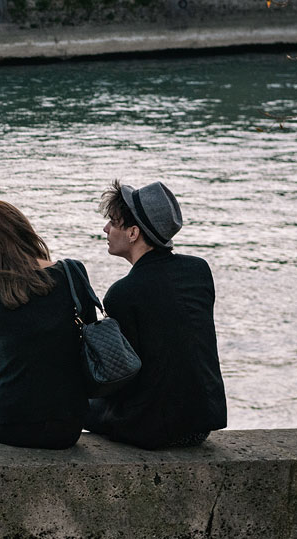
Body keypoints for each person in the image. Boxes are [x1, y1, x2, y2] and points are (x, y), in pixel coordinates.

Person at [85, 181, 227, 449]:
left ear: (133, 233)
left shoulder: (123, 293)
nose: (106, 229)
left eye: (114, 223)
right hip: (202, 422)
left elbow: (123, 376)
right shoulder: (199, 271)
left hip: (154, 429)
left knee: (77, 404)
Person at [0, 200, 97, 449]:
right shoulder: (71, 273)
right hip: (67, 425)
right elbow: (89, 339)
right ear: (25, 231)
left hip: (6, 423)